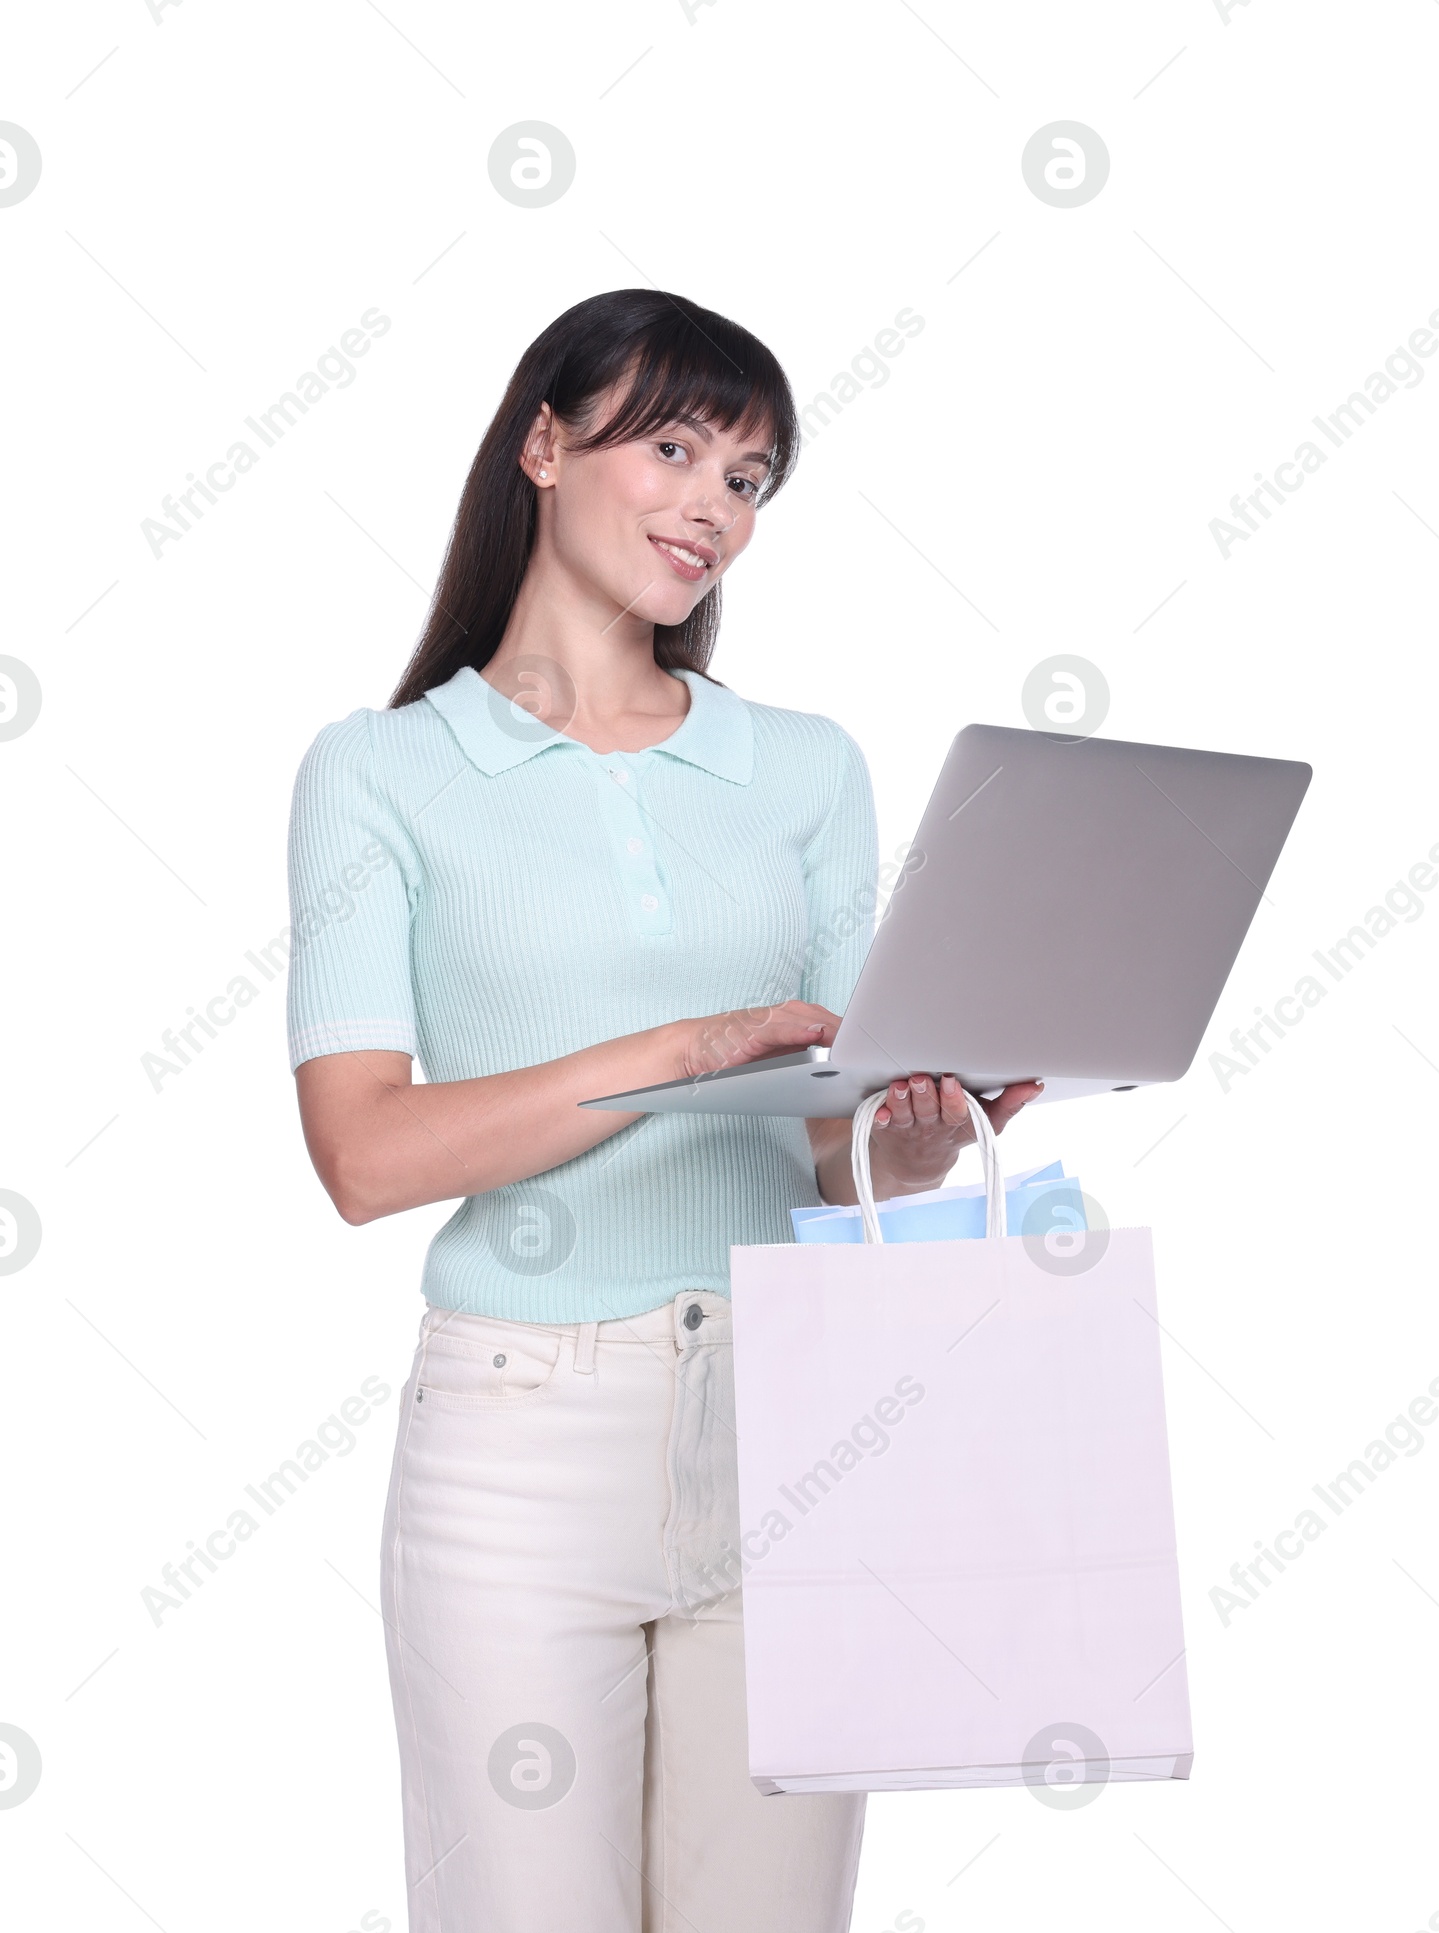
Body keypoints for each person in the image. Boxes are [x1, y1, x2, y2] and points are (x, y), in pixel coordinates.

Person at [285, 287, 1040, 1933]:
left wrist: (924, 1121)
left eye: (753, 477)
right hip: (518, 1442)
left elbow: (837, 1147)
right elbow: (365, 1152)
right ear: (544, 446)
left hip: (792, 1417)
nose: (714, 505)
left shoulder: (806, 769)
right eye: (678, 445)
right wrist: (681, 1051)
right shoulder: (383, 771)